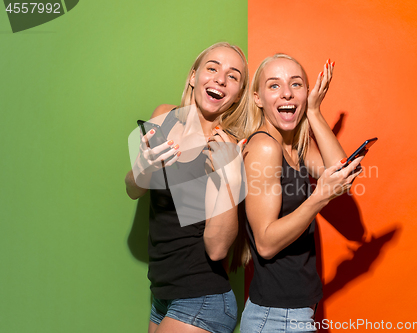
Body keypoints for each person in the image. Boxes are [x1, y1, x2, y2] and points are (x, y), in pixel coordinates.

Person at [125, 42, 249, 333]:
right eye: (212, 68)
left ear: (238, 95)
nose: (220, 78)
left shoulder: (227, 145)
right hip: (161, 294)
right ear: (193, 77)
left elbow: (217, 249)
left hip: (202, 298)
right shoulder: (164, 117)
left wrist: (230, 177)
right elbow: (132, 189)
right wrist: (144, 167)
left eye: (233, 76)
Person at [239, 54, 364, 332]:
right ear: (257, 98)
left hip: (293, 312)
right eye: (274, 86)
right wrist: (319, 197)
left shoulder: (296, 146)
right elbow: (266, 243)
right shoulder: (264, 147)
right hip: (275, 317)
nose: (286, 92)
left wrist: (314, 112)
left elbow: (343, 174)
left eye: (296, 84)